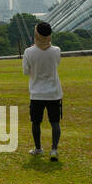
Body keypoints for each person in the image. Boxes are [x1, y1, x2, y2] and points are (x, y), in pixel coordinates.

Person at [22, 21, 63, 160]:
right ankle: (54, 149)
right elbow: (57, 64)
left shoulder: (29, 52)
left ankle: (38, 148)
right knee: (55, 122)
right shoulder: (56, 50)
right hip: (54, 92)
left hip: (37, 93)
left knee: (36, 122)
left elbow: (26, 71)